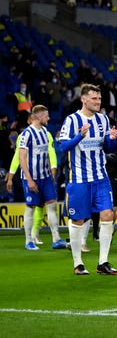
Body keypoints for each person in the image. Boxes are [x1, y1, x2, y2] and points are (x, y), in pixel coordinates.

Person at [59, 85, 117, 275]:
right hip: (79, 180)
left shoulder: (103, 119)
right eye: (94, 99)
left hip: (101, 178)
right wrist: (79, 136)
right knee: (77, 220)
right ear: (83, 100)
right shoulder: (71, 120)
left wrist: (112, 139)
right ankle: (78, 263)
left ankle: (103, 262)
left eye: (99, 98)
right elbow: (63, 147)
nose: (98, 102)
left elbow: (108, 148)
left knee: (108, 215)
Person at [14, 106, 66, 251]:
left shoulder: (45, 132)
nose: (49, 118)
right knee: (30, 208)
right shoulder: (26, 134)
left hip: (45, 177)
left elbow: (47, 154)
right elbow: (22, 158)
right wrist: (29, 180)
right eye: (46, 116)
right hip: (31, 178)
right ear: (38, 116)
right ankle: (28, 241)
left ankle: (56, 239)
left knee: (52, 205)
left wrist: (51, 171)